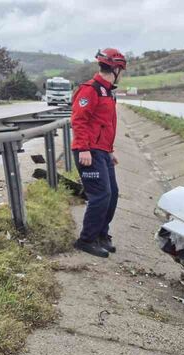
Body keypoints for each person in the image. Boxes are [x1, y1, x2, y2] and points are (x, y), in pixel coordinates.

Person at [70, 48, 127, 258]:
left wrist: (110, 151)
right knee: (100, 195)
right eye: (122, 69)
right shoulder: (90, 90)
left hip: (102, 151)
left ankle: (102, 234)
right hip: (88, 151)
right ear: (116, 68)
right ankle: (86, 239)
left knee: (111, 194)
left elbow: (103, 124)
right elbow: (79, 120)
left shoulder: (107, 91)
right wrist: (84, 148)